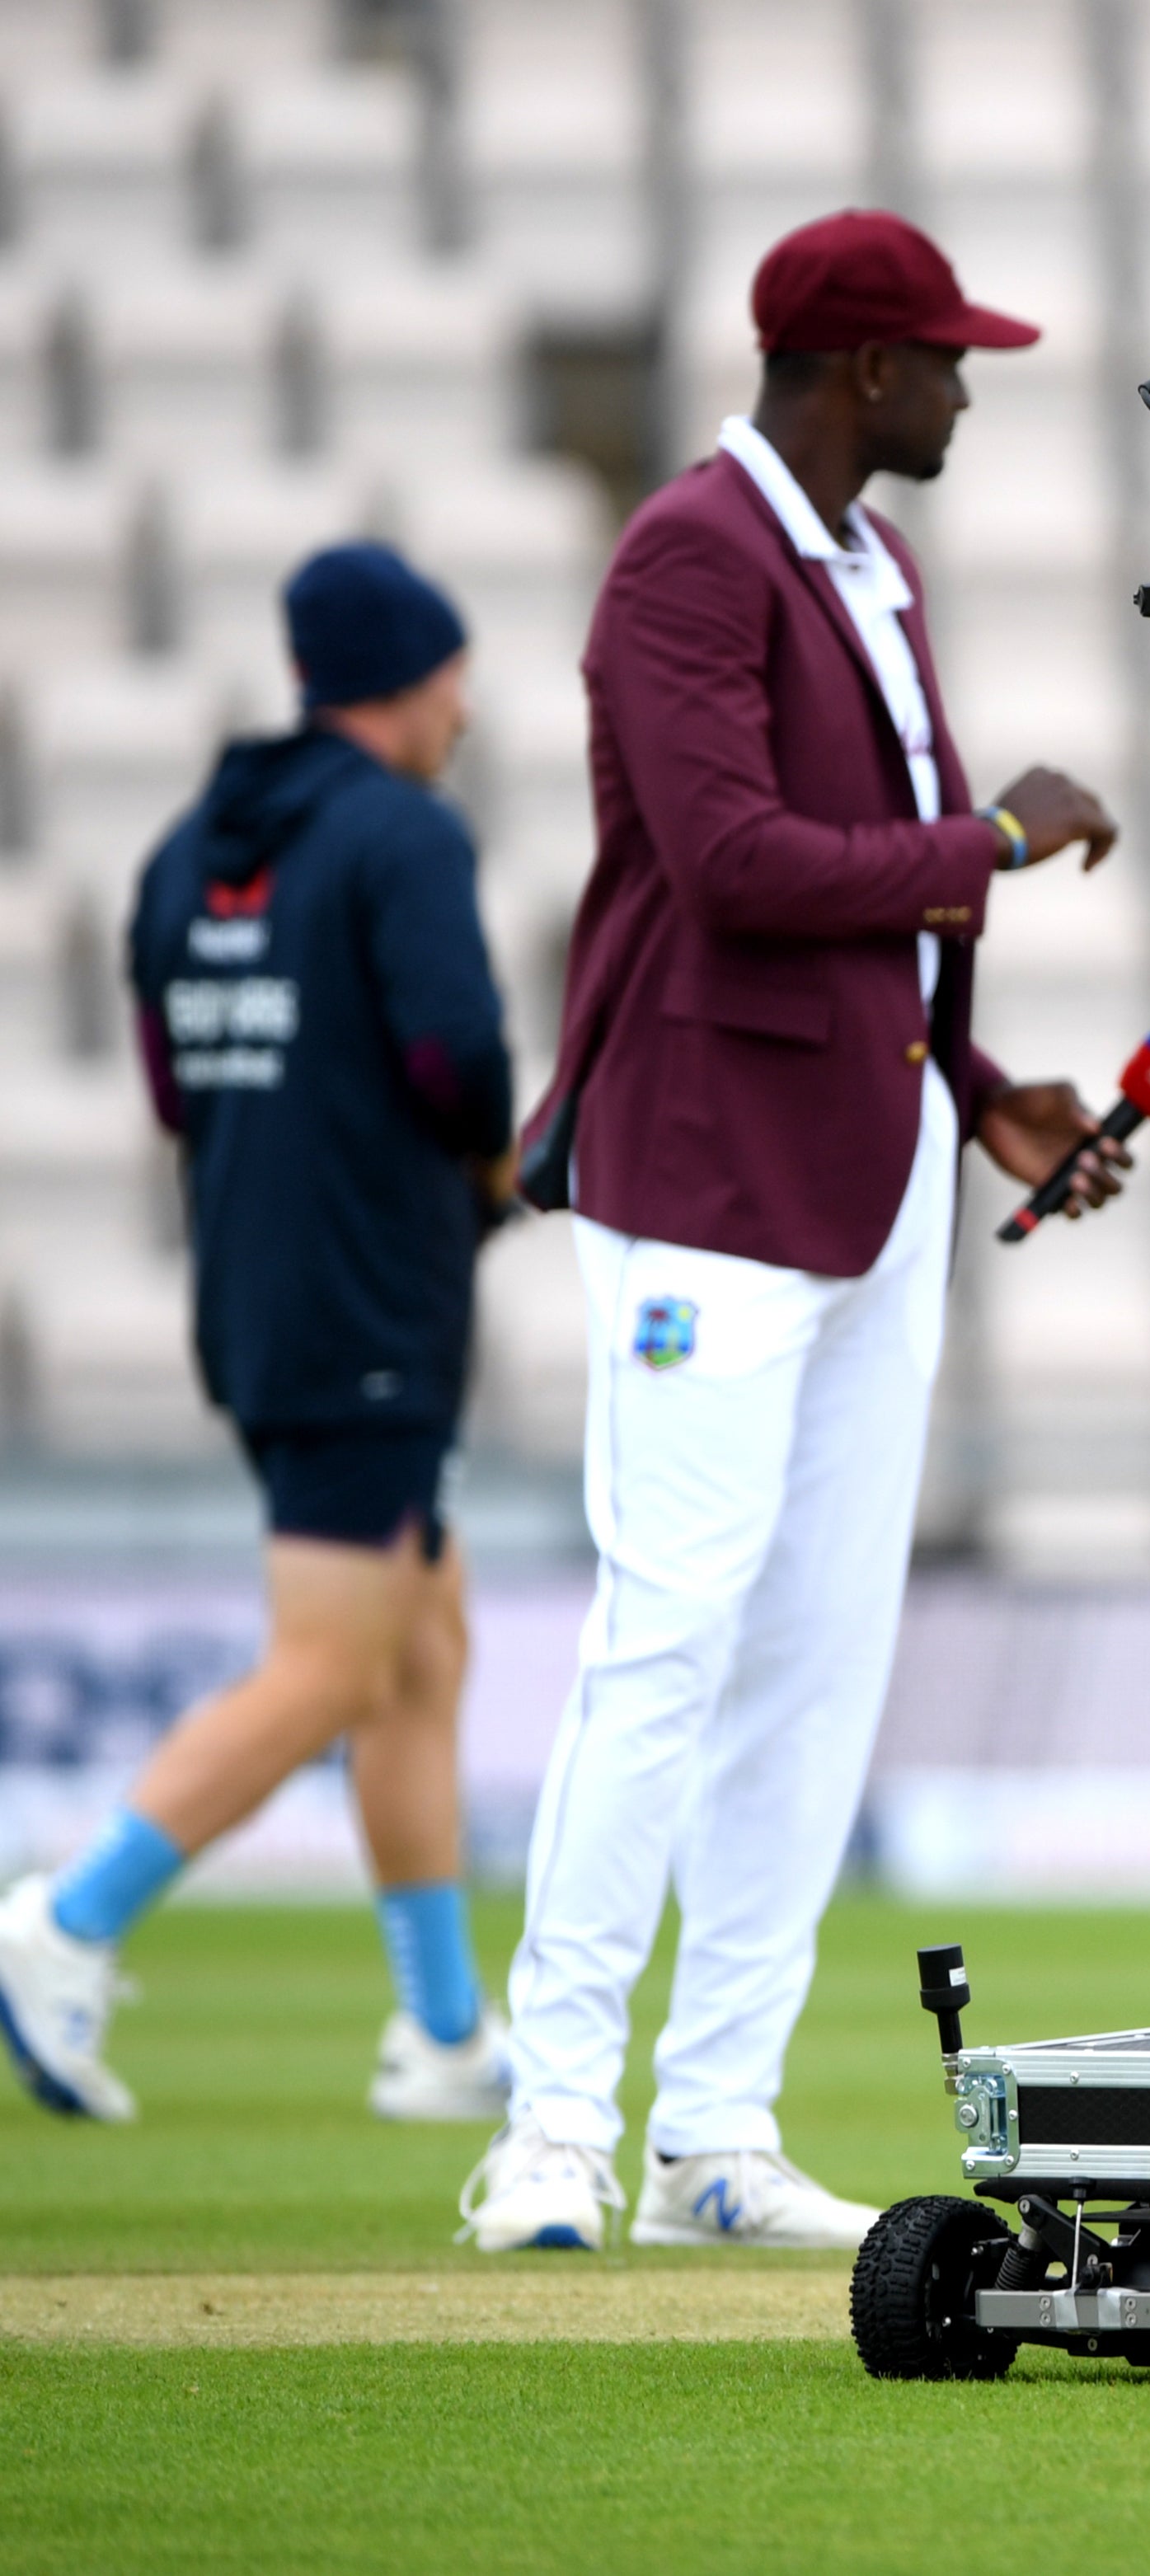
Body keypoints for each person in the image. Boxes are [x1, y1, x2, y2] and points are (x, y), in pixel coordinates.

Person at [457, 209, 1126, 2255]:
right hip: (705, 1172)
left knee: (820, 1659)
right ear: (855, 371)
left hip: (871, 1156)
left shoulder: (873, 561)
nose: (965, 390)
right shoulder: (692, 554)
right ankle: (554, 2126)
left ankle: (714, 2132)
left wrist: (973, 1074)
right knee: (669, 1635)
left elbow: (876, 909)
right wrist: (993, 841)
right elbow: (737, 861)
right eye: (942, 360)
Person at [0, 543, 514, 2128]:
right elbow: (460, 1062)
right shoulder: (402, 838)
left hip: (254, 1290)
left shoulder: (182, 852)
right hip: (371, 1297)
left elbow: (172, 1090)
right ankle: (61, 1922)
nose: (466, 709)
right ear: (408, 678)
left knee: (423, 1652)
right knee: (330, 1664)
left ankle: (441, 2036)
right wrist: (497, 1167)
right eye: (451, 677)